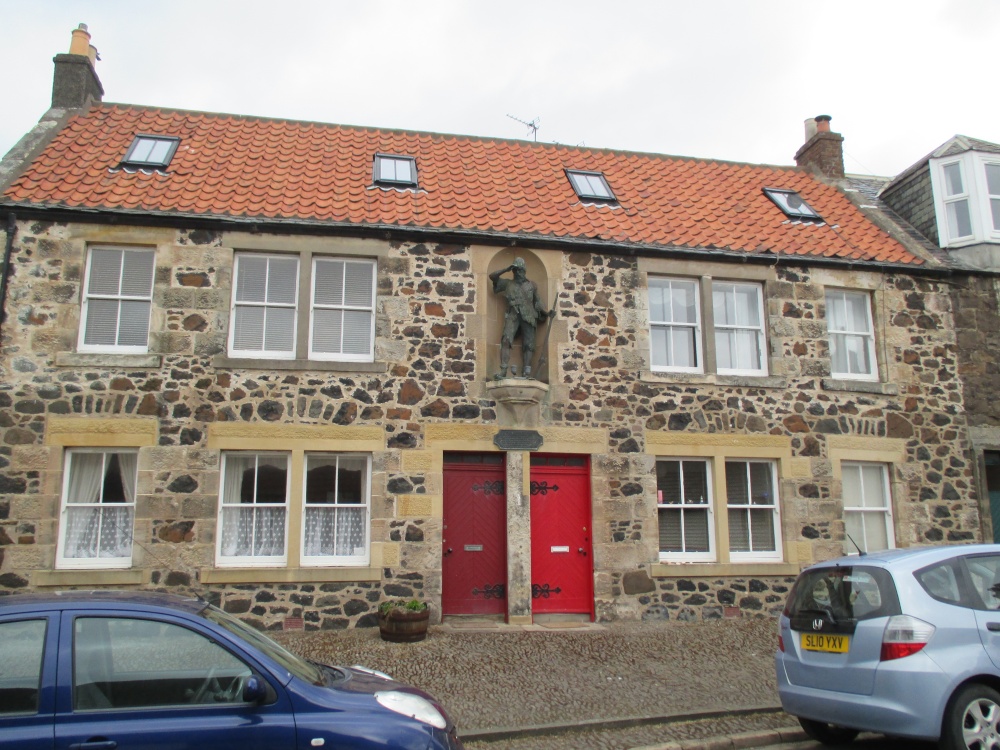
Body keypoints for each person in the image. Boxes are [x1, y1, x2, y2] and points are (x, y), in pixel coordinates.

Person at [490, 258, 554, 379]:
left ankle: (527, 372)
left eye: (520, 270)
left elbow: (538, 302)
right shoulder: (508, 283)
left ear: (524, 271)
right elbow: (492, 277)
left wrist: (547, 312)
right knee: (505, 340)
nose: (517, 272)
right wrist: (506, 269)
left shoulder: (531, 285)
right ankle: (503, 370)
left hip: (529, 315)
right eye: (515, 270)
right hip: (513, 314)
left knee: (529, 344)